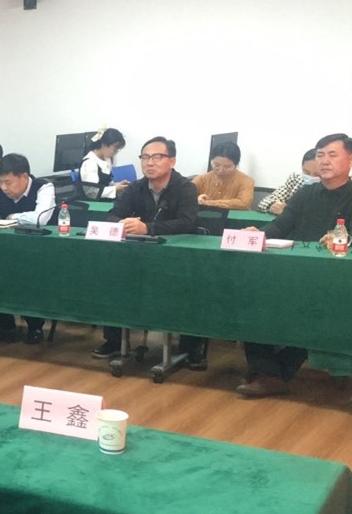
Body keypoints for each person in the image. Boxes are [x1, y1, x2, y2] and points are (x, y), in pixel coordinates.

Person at [236, 133, 352, 398]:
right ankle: (269, 371)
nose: (324, 161)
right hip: (292, 272)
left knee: (312, 308)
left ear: (351, 160)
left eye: (332, 155)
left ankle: (271, 373)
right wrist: (259, 233)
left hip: (332, 279)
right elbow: (282, 224)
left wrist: (343, 238)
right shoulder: (305, 193)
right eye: (320, 155)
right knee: (250, 296)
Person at [93, 137, 204, 363]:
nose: (149, 162)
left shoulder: (186, 188)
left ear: (172, 161)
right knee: (113, 277)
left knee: (193, 285)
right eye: (145, 157)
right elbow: (111, 215)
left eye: (157, 157)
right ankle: (114, 340)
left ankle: (190, 347)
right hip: (138, 257)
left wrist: (148, 228)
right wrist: (122, 223)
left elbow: (187, 222)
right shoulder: (136, 187)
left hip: (176, 259)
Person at [0, 153, 56, 343]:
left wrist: (13, 217)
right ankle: (2, 323)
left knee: (29, 279)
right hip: (5, 250)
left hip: (39, 251)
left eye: (8, 182)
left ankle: (34, 326)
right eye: (1, 182)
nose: (4, 187)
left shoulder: (44, 187)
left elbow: (40, 218)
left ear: (24, 176)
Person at [193, 141, 255, 210]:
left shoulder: (246, 181)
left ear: (235, 165)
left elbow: (243, 203)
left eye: (227, 167)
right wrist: (195, 199)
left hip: (233, 216)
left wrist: (208, 203)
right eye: (216, 165)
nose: (221, 170)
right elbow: (185, 196)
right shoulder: (201, 179)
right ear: (211, 161)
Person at [257, 148, 320, 215]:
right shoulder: (296, 179)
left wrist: (289, 212)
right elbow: (264, 202)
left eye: (317, 174)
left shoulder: (327, 187)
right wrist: (273, 206)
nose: (311, 177)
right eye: (306, 172)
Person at [78, 127, 130, 200]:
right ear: (104, 145)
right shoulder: (89, 162)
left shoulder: (106, 159)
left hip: (105, 199)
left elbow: (106, 183)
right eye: (114, 150)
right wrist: (115, 188)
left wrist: (118, 185)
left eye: (117, 151)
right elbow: (91, 192)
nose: (115, 153)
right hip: (93, 202)